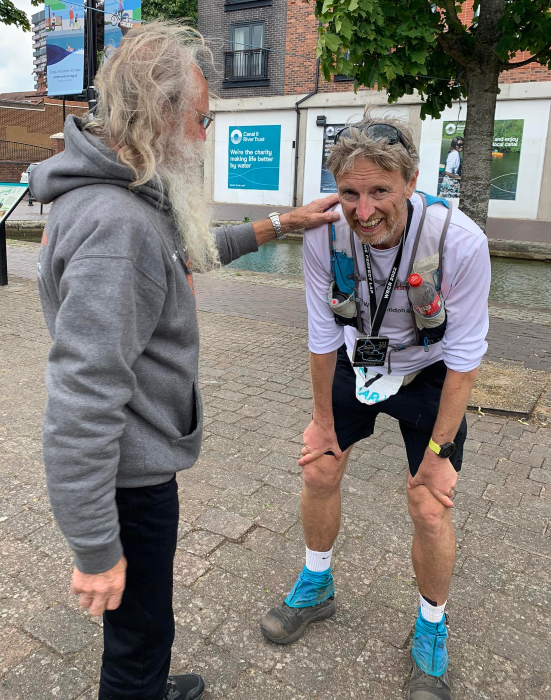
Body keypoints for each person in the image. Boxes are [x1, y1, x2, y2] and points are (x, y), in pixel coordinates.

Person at [29, 21, 339, 700]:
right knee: (138, 644)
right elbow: (80, 402)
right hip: (129, 485)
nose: (205, 134)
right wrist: (95, 551)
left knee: (144, 627)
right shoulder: (118, 227)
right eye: (202, 118)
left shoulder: (124, 195)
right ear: (161, 113)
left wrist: (282, 223)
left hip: (132, 468)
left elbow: (183, 253)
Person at [260, 115, 490, 700]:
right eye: (350, 193)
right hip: (354, 358)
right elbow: (317, 334)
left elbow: (464, 358)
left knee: (430, 504)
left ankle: (431, 629)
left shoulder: (460, 242)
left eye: (380, 191)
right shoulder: (324, 232)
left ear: (411, 181)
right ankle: (317, 585)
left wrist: (439, 453)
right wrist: (322, 421)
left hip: (431, 369)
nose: (363, 212)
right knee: (318, 465)